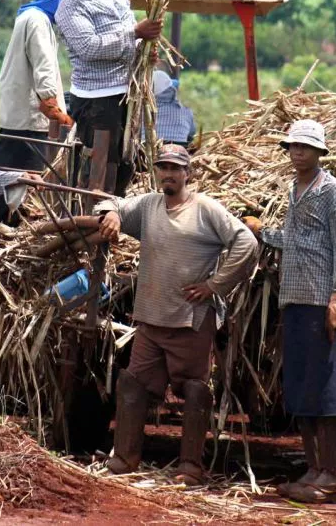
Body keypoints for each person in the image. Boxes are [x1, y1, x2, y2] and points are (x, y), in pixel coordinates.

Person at [96, 144, 258, 484]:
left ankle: (190, 468)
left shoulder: (205, 210)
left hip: (190, 319)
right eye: (163, 168)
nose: (168, 174)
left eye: (175, 168)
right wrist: (112, 213)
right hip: (151, 318)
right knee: (134, 383)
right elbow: (112, 202)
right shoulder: (149, 205)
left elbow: (246, 243)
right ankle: (124, 460)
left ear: (188, 173)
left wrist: (215, 285)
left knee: (195, 389)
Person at [242, 119, 336, 505]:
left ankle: (333, 477)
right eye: (293, 146)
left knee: (330, 387)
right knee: (304, 387)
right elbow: (296, 241)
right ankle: (314, 470)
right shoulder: (296, 190)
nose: (299, 152)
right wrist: (262, 233)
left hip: (324, 304)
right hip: (295, 301)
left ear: (320, 152)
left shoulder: (332, 192)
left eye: (306, 147)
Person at [55, 0, 163, 196]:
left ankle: (114, 213)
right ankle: (93, 218)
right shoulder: (69, 8)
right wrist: (135, 33)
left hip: (125, 91)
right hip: (96, 97)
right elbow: (90, 48)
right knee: (97, 164)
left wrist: (144, 52)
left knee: (124, 159)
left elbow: (131, 40)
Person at [0, 0, 72, 172]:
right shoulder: (38, 20)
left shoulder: (27, 16)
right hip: (31, 123)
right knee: (28, 186)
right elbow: (43, 64)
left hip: (15, 119)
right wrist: (53, 106)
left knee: (5, 178)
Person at [148, 70, 195, 148]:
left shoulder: (140, 113)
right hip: (178, 154)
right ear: (171, 89)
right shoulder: (186, 111)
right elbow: (192, 133)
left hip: (147, 154)